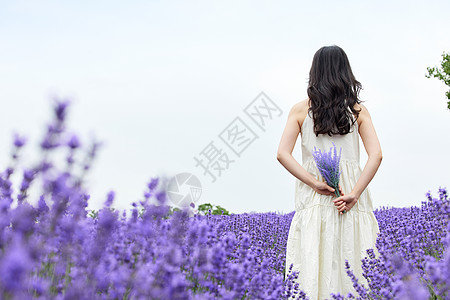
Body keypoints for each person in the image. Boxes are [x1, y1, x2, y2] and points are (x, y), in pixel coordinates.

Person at [276, 45, 382, 299]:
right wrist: (355, 193)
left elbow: (282, 154)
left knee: (314, 258)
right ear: (345, 73)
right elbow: (376, 155)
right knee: (353, 258)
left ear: (315, 73)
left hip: (316, 196)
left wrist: (314, 183)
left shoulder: (300, 110)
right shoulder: (358, 111)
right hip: (349, 196)